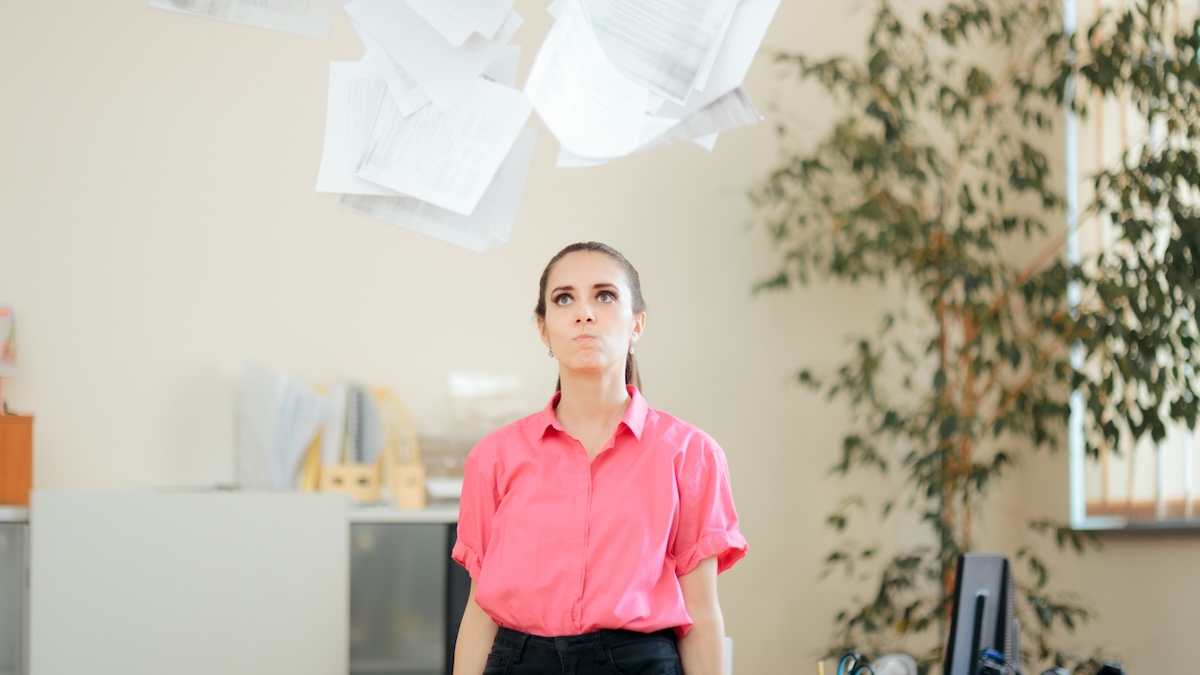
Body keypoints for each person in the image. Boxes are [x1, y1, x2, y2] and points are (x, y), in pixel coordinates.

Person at [452, 241, 748, 675]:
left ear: (637, 325)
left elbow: (701, 614)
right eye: (564, 298)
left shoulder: (691, 454)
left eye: (605, 296)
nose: (584, 313)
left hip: (640, 663)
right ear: (543, 328)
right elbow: (479, 611)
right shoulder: (493, 458)